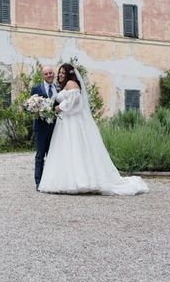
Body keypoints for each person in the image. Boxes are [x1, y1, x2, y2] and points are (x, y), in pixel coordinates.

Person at [38, 63, 149, 195]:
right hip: (65, 122)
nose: (60, 74)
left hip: (72, 121)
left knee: (75, 149)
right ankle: (68, 180)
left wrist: (58, 108)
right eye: (60, 72)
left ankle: (81, 181)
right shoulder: (65, 85)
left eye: (63, 72)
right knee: (67, 149)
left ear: (69, 73)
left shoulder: (71, 84)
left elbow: (74, 102)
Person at [31, 65, 58, 191]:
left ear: (54, 74)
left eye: (51, 73)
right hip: (41, 128)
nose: (49, 75)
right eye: (46, 74)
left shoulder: (59, 88)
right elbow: (30, 107)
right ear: (43, 76)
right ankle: (39, 182)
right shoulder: (36, 88)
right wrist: (38, 109)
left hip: (56, 128)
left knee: (53, 155)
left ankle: (52, 181)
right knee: (40, 155)